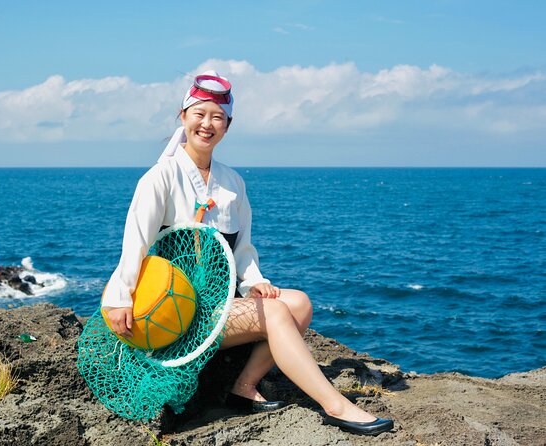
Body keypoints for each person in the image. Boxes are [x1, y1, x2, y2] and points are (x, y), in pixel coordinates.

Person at [101, 71, 394, 436]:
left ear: (228, 125)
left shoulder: (233, 183)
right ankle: (335, 405)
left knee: (299, 303)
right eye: (199, 114)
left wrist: (255, 282)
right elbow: (135, 245)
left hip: (212, 306)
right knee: (274, 312)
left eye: (217, 117)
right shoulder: (159, 178)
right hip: (174, 311)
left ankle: (243, 386)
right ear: (183, 117)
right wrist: (118, 300)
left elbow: (242, 250)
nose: (207, 124)